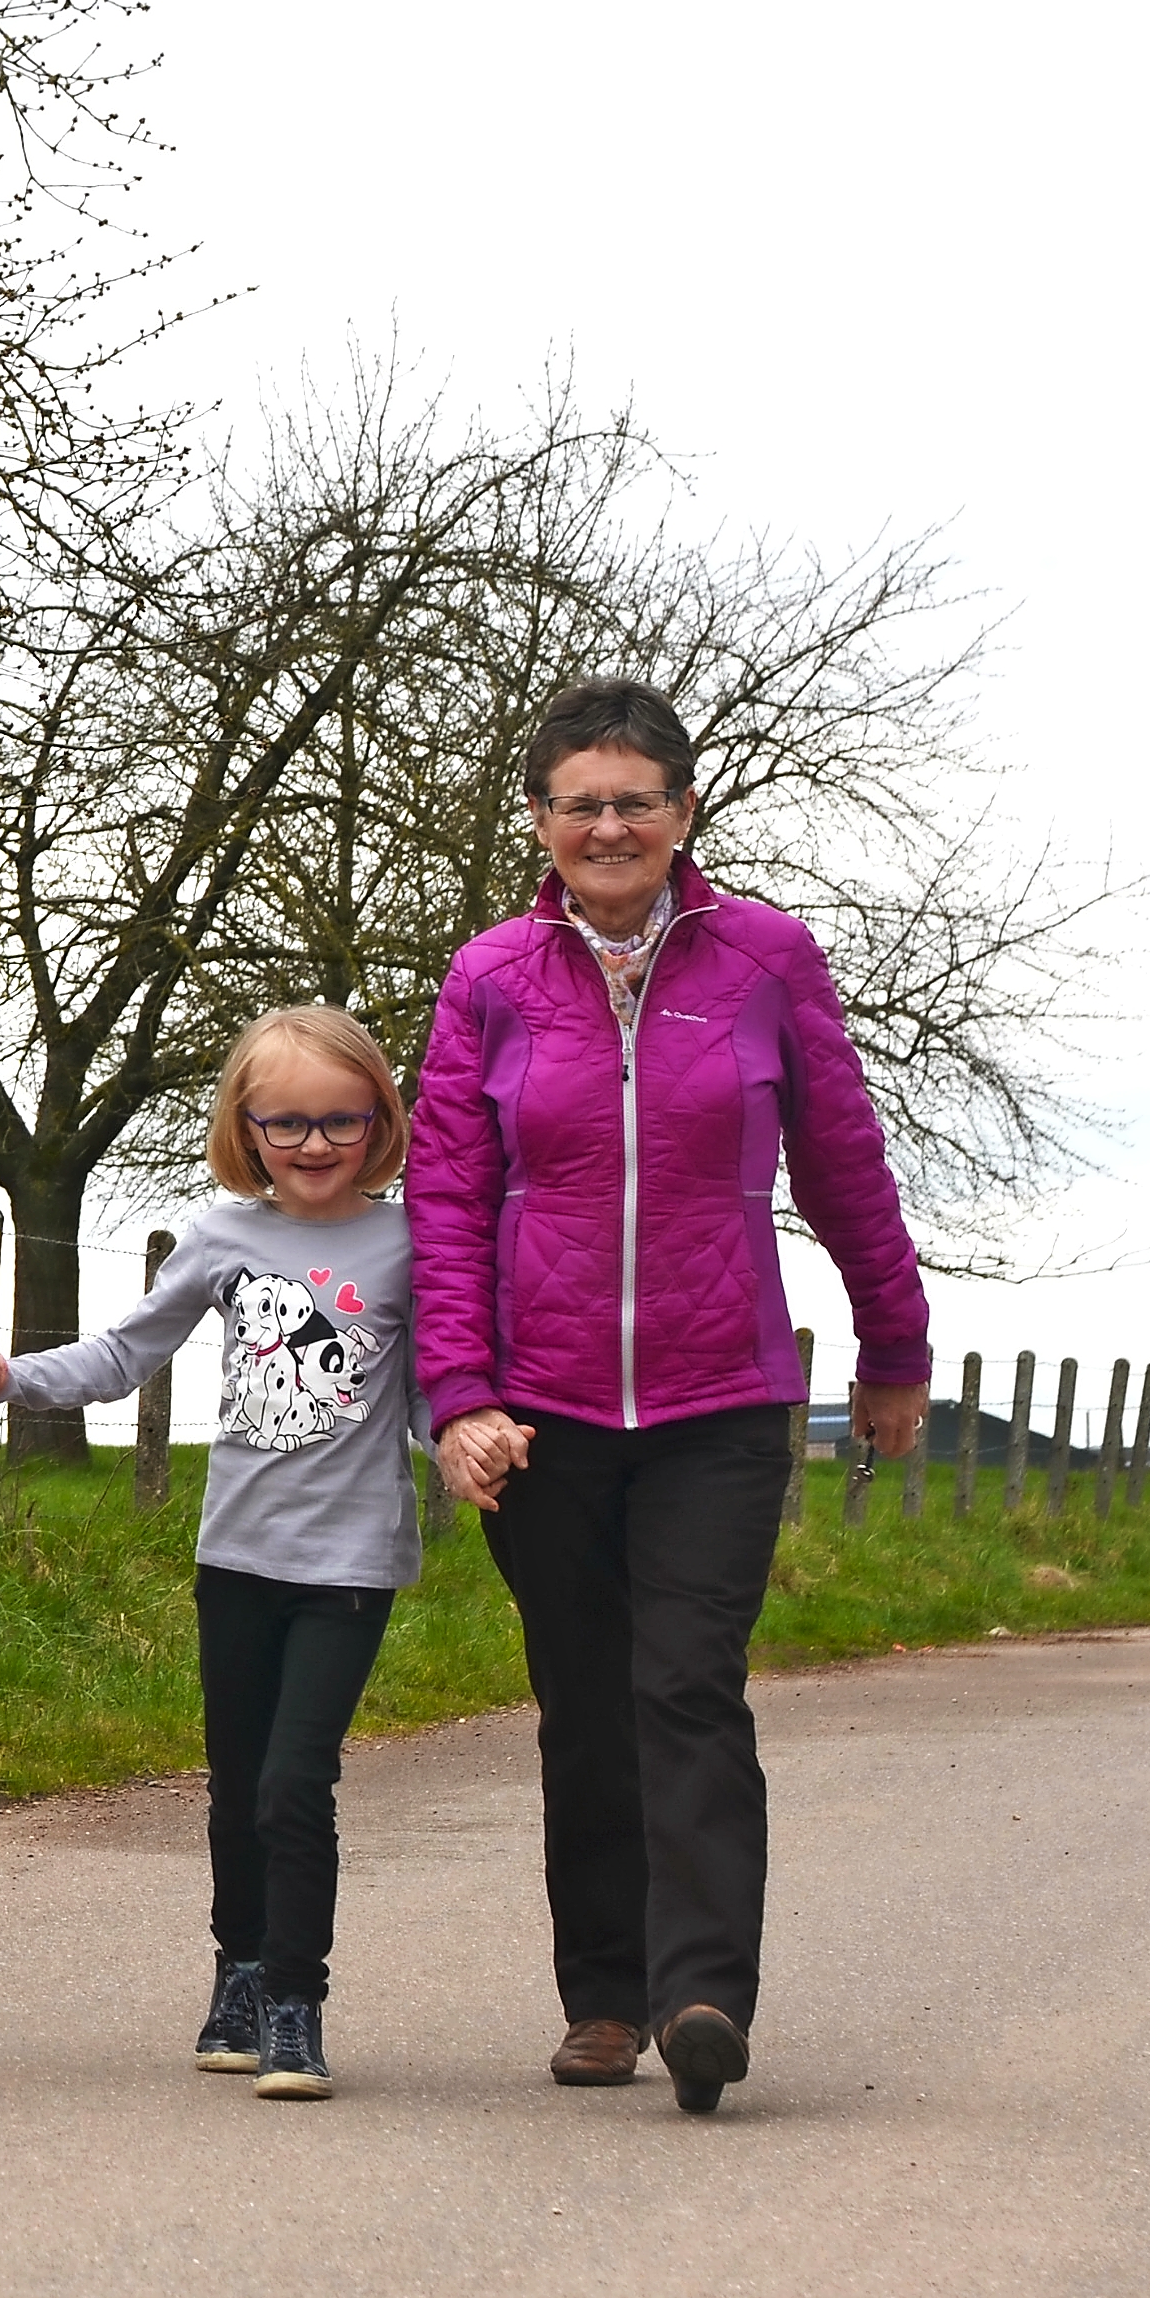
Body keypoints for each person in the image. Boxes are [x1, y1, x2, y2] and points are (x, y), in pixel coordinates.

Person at [409, 676, 929, 2115]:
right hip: (542, 1412)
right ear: (539, 820)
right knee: (581, 1700)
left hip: (717, 1396)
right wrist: (455, 1392)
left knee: (683, 1682)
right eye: (579, 800)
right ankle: (600, 1992)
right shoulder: (490, 980)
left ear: (682, 811)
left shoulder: (765, 961)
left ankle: (703, 1991)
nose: (607, 822)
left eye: (634, 798)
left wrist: (894, 1346)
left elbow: (842, 1165)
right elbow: (446, 1200)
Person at [0, 1006, 420, 2102]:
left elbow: (436, 1389)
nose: (312, 1143)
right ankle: (240, 1970)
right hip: (239, 1558)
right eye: (285, 1121)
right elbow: (124, 1352)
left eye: (339, 1119)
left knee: (299, 1780)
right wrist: (9, 1375)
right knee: (238, 1782)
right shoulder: (220, 1236)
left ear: (380, 1120)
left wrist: (471, 1441)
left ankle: (298, 2000)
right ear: (246, 1127)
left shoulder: (408, 1241)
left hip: (349, 1563)